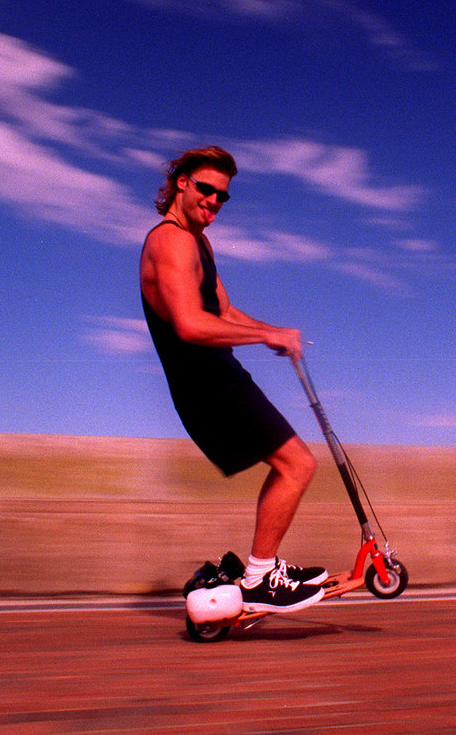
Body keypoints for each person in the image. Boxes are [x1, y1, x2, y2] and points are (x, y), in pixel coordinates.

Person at [140, 146, 326, 613]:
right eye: (205, 189)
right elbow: (189, 323)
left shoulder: (199, 241)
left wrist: (274, 332)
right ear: (181, 182)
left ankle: (264, 569)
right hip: (204, 384)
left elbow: (221, 312)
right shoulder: (170, 241)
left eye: (222, 197)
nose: (213, 202)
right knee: (297, 465)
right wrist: (266, 335)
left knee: (295, 464)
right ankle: (261, 575)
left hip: (219, 374)